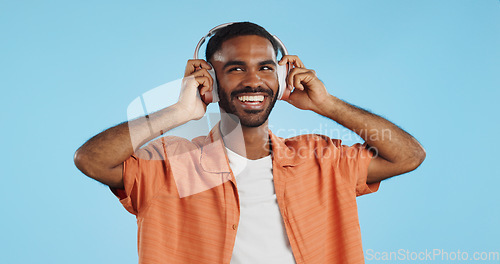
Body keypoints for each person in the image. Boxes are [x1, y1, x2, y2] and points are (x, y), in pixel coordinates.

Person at [74, 22, 426, 264]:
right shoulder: (169, 164)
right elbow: (91, 160)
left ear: (282, 75)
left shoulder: (322, 159)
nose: (254, 81)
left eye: (266, 68)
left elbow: (408, 156)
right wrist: (179, 111)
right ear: (209, 78)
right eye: (236, 69)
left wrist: (327, 104)